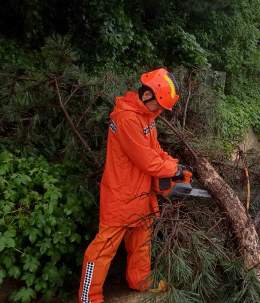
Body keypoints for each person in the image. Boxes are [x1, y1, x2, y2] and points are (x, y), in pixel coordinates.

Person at [78, 68, 185, 303]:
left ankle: (140, 280)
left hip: (142, 193)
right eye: (159, 105)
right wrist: (171, 170)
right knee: (103, 249)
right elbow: (145, 159)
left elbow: (154, 150)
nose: (160, 111)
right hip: (121, 194)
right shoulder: (127, 118)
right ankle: (89, 296)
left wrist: (175, 165)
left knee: (141, 242)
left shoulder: (147, 118)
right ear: (147, 95)